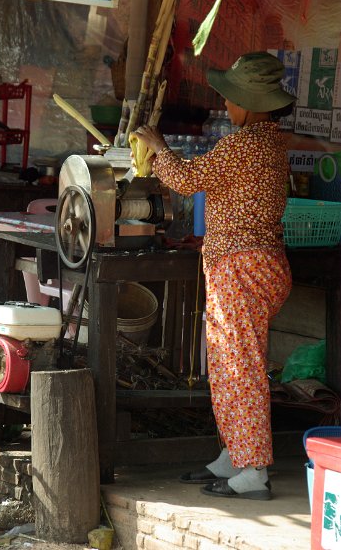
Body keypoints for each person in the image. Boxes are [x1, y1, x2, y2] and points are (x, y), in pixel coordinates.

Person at [133, 51, 297, 501]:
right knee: (229, 363)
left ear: (248, 103)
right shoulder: (271, 143)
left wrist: (159, 147)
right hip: (260, 263)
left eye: (230, 98)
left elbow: (187, 180)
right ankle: (235, 455)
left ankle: (253, 472)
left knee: (238, 367)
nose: (225, 105)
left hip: (240, 266)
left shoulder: (242, 146)